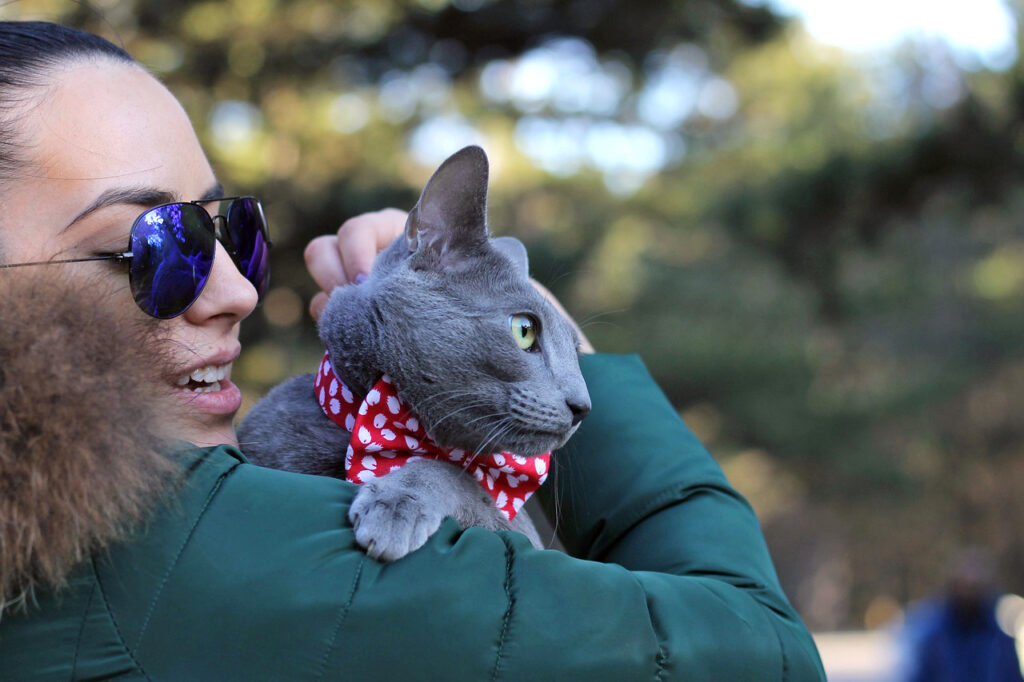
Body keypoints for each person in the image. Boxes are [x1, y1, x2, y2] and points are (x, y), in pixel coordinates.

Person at [0, 21, 825, 680]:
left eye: (228, 230)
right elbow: (761, 649)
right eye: (155, 243)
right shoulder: (193, 555)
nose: (239, 291)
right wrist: (561, 339)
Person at [901, 549, 1024, 682]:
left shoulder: (1000, 642)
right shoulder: (935, 640)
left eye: (974, 587)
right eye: (964, 586)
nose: (968, 593)